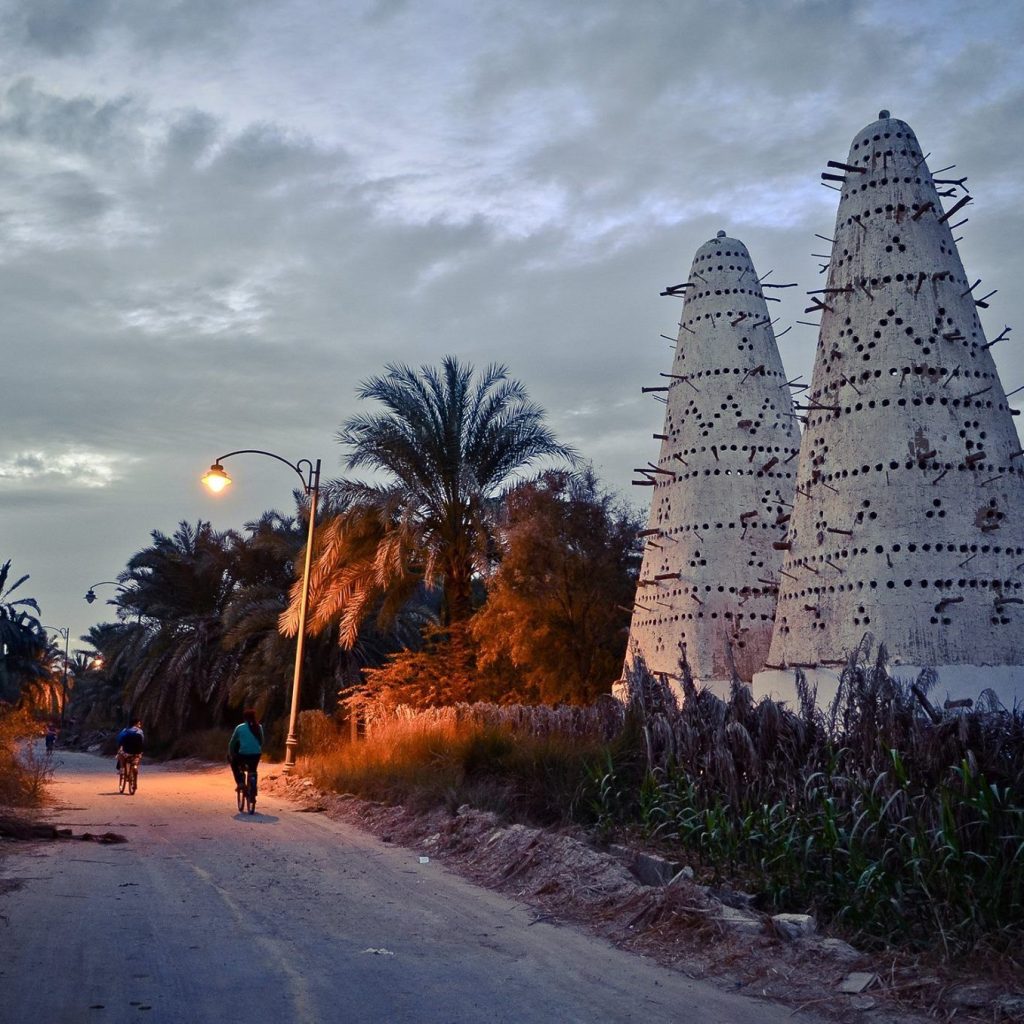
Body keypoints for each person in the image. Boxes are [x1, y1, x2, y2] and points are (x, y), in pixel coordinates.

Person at [229, 709, 264, 792]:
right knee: (253, 769)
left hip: (243, 754)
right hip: (257, 754)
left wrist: (231, 753)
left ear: (244, 718)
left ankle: (240, 783)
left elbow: (232, 742)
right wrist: (256, 748)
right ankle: (254, 787)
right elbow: (262, 741)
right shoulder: (259, 727)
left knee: (234, 764)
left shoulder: (240, 727)